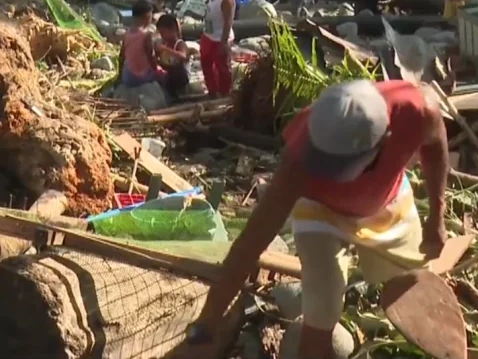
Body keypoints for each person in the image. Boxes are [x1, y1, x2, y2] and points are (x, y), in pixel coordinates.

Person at [180, 79, 449, 359]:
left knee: (415, 286)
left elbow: (435, 146)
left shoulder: (420, 111)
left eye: (339, 168)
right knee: (322, 303)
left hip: (386, 200)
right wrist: (206, 324)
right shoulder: (299, 162)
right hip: (320, 211)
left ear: (383, 140)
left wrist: (437, 215)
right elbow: (249, 245)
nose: (327, 175)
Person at [200, 0, 235, 97]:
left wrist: (223, 42)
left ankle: (224, 93)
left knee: (222, 68)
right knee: (206, 64)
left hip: (219, 38)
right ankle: (212, 91)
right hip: (208, 35)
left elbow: (228, 23)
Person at [118, 0, 161, 88]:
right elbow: (151, 57)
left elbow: (121, 57)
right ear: (147, 16)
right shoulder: (146, 35)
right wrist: (157, 70)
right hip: (141, 78)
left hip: (127, 77)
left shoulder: (127, 34)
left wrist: (120, 76)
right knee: (163, 73)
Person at [155, 13, 191, 99]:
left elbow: (183, 56)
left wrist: (166, 50)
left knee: (174, 72)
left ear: (173, 29)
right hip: (168, 74)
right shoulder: (164, 43)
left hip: (180, 76)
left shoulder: (180, 44)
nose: (162, 36)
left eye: (163, 32)